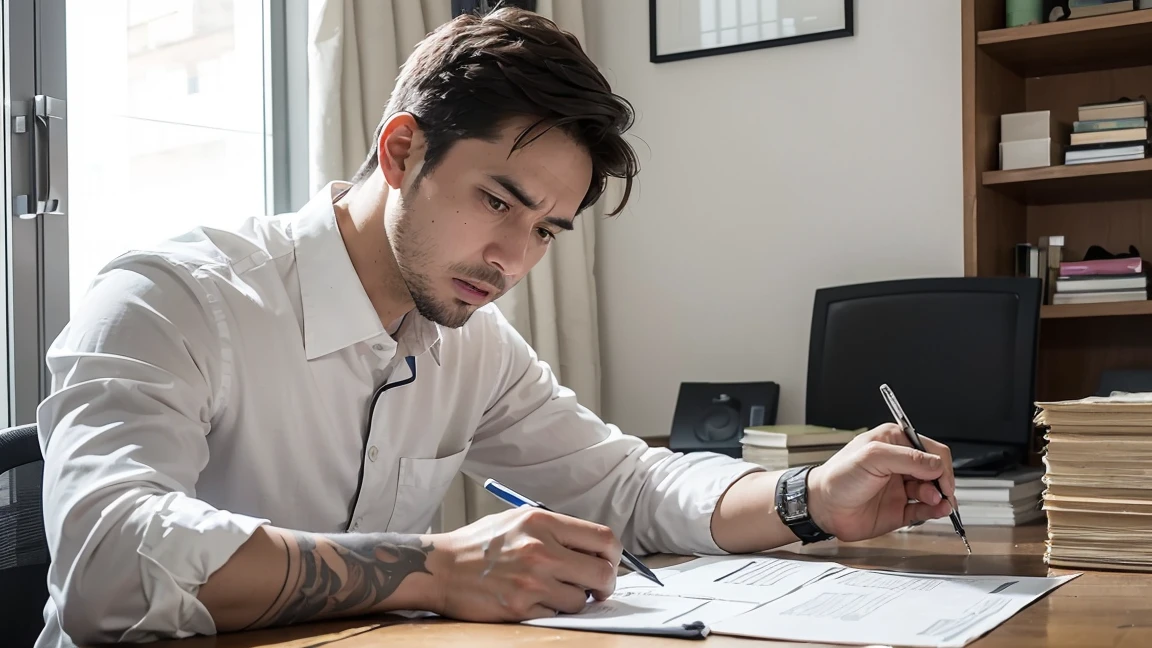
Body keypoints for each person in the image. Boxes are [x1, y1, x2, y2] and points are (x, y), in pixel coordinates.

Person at [35, 7, 958, 647]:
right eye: (497, 202)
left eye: (547, 230)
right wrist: (431, 568)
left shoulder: (469, 341)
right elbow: (108, 563)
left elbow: (625, 485)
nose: (513, 259)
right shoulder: (171, 298)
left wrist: (809, 499)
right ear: (402, 150)